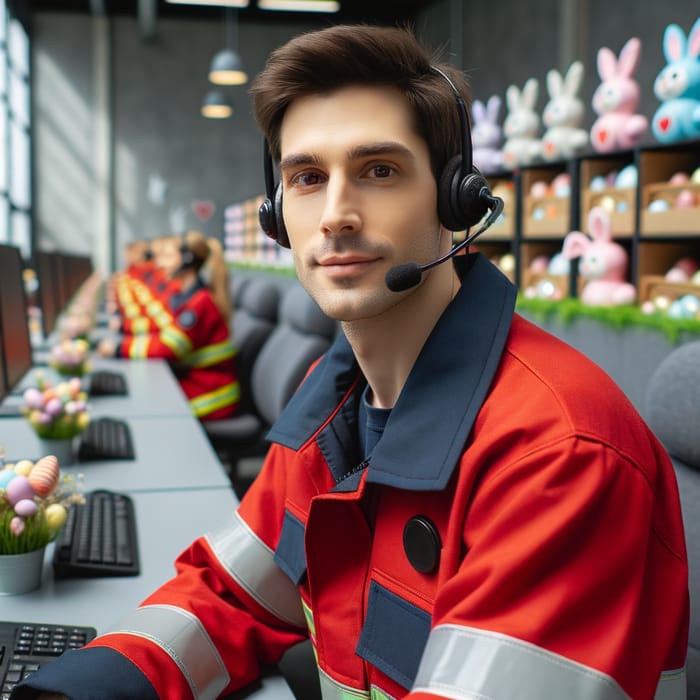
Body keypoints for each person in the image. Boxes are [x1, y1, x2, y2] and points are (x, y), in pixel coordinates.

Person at [16, 24, 688, 700]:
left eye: (379, 170)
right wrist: (77, 691)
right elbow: (230, 597)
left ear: (456, 198)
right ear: (279, 215)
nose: (335, 214)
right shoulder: (334, 399)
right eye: (307, 178)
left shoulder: (558, 452)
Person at [95, 230, 240, 422]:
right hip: (198, 382)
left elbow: (171, 346)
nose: (159, 264)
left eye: (169, 257)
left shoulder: (200, 303)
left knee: (149, 407)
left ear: (187, 261)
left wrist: (120, 348)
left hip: (213, 395)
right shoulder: (188, 297)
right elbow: (164, 330)